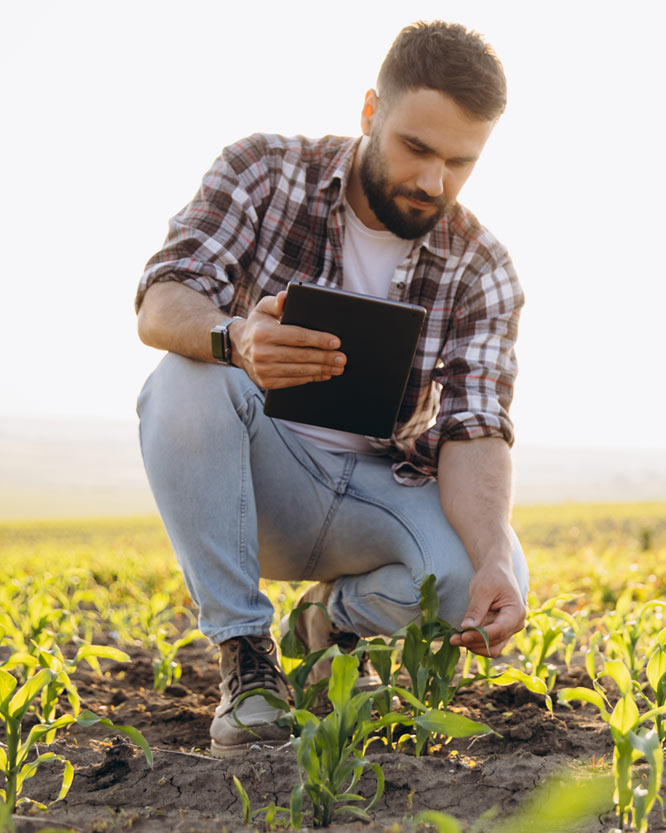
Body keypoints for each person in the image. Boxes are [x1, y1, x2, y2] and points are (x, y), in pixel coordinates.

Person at [134, 21, 529, 758]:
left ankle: (329, 625)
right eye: (417, 148)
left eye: (459, 162)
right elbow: (164, 301)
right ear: (371, 111)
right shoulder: (264, 171)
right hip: (258, 479)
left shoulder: (483, 266)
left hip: (378, 490)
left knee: (484, 571)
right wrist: (238, 339)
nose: (432, 182)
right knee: (186, 379)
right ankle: (248, 661)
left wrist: (495, 561)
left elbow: (476, 428)